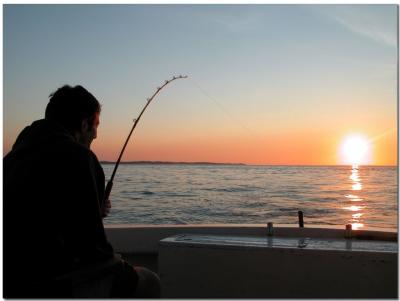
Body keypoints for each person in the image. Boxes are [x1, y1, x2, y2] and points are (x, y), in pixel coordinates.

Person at [3, 85, 161, 298]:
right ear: (84, 124)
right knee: (149, 281)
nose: (96, 134)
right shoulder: (79, 157)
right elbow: (91, 250)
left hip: (11, 279)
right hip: (51, 282)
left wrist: (94, 210)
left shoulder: (10, 160)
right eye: (95, 126)